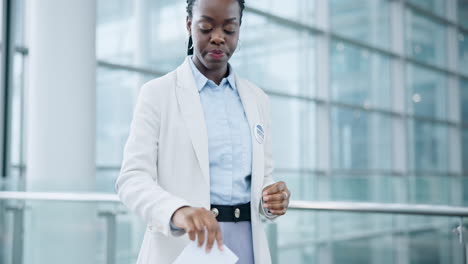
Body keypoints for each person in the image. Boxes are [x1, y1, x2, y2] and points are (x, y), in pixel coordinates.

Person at [115, 0, 291, 263]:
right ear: (189, 25)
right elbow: (132, 179)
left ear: (240, 29)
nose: (218, 38)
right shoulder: (157, 94)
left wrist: (272, 198)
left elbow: (262, 177)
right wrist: (177, 211)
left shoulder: (258, 99)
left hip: (247, 246)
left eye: (229, 30)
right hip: (186, 246)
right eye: (206, 27)